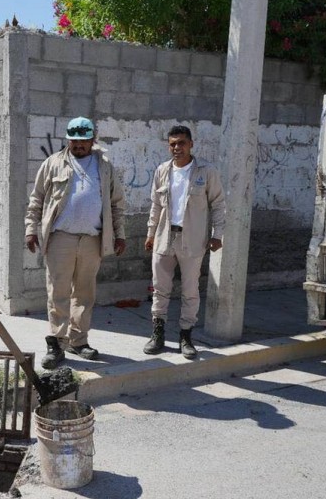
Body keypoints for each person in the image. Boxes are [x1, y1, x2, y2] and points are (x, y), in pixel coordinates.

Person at [25, 117, 126, 369]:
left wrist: (120, 234)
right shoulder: (53, 163)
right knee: (58, 292)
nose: (79, 145)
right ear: (68, 140)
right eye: (74, 140)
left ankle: (78, 341)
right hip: (61, 238)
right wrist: (30, 230)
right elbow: (36, 199)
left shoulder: (104, 167)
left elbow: (116, 204)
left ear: (93, 139)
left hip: (93, 239)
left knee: (84, 292)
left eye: (84, 140)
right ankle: (57, 343)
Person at [144, 125, 225, 359]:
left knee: (190, 290)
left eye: (181, 143)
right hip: (164, 237)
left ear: (191, 144)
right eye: (172, 144)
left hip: (193, 239)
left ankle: (186, 336)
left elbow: (218, 204)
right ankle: (157, 334)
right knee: (160, 288)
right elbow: (156, 205)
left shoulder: (205, 172)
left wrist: (217, 234)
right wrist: (150, 234)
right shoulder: (162, 171)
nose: (176, 148)